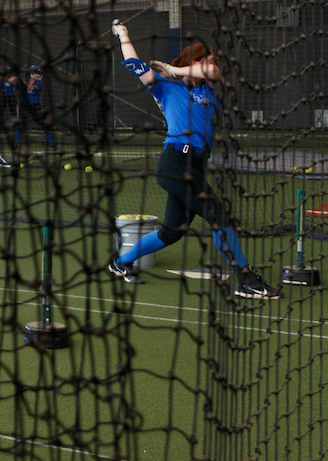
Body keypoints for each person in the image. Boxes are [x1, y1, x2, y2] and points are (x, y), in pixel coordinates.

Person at [108, 21, 278, 299]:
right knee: (217, 214)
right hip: (174, 161)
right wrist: (123, 34)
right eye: (208, 58)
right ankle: (245, 279)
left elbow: (212, 71)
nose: (213, 64)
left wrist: (175, 68)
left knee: (171, 232)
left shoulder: (210, 90)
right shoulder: (165, 86)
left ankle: (120, 263)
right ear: (195, 60)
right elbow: (132, 62)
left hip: (196, 164)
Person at [15, 64, 55, 148]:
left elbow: (30, 87)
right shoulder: (22, 82)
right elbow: (13, 83)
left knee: (44, 124)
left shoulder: (39, 84)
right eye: (36, 73)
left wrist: (23, 79)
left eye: (39, 73)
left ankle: (52, 143)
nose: (38, 75)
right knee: (20, 124)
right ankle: (16, 144)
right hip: (25, 105)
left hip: (35, 106)